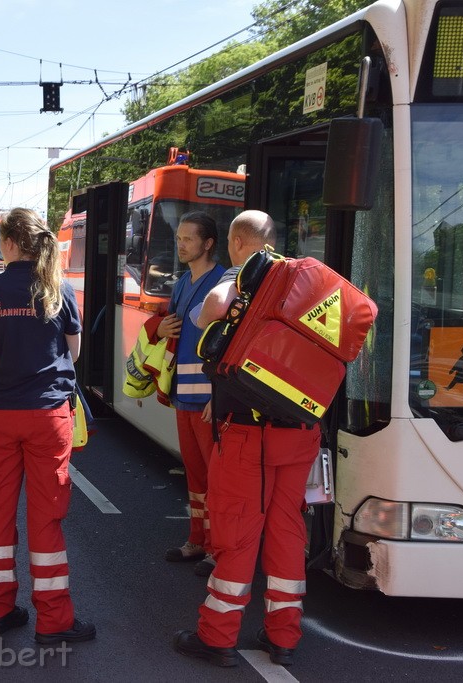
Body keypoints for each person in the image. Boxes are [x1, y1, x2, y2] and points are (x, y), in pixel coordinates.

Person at [173, 210, 320, 668]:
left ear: (237, 242)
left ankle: (217, 637)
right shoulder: (308, 280)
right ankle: (284, 637)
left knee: (236, 532)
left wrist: (235, 283)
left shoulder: (246, 273)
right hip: (300, 430)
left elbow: (210, 311)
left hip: (248, 430)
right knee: (286, 531)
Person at [0, 208, 94, 644]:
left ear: (9, 244)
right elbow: (72, 354)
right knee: (47, 518)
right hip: (47, 416)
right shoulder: (61, 290)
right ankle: (54, 621)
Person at [145, 212, 225, 577]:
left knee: (216, 477)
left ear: (208, 243)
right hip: (184, 396)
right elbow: (170, 330)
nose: (180, 244)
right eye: (179, 238)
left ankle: (218, 550)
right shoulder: (180, 284)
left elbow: (232, 344)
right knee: (194, 475)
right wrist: (158, 327)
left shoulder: (223, 282)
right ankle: (197, 540)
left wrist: (220, 396)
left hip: (209, 401)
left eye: (188, 239)